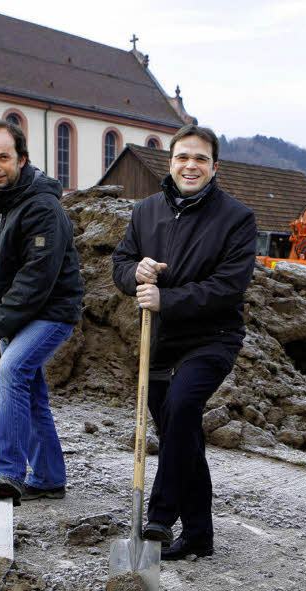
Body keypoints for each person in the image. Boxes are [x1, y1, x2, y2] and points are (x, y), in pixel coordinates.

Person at [111, 124, 257, 560]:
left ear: (214, 167)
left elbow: (229, 286)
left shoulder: (237, 218)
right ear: (170, 161)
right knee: (181, 434)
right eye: (182, 157)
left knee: (181, 407)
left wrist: (166, 298)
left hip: (212, 338)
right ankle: (198, 535)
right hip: (159, 341)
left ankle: (159, 516)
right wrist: (134, 274)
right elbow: (120, 262)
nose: (190, 166)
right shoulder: (146, 211)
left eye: (199, 159)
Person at [0, 119, 83, 505]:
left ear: (22, 159)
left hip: (51, 311)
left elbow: (37, 280)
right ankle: (48, 478)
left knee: (13, 369)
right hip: (12, 312)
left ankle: (9, 475)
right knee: (29, 392)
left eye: (3, 157)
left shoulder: (43, 208)